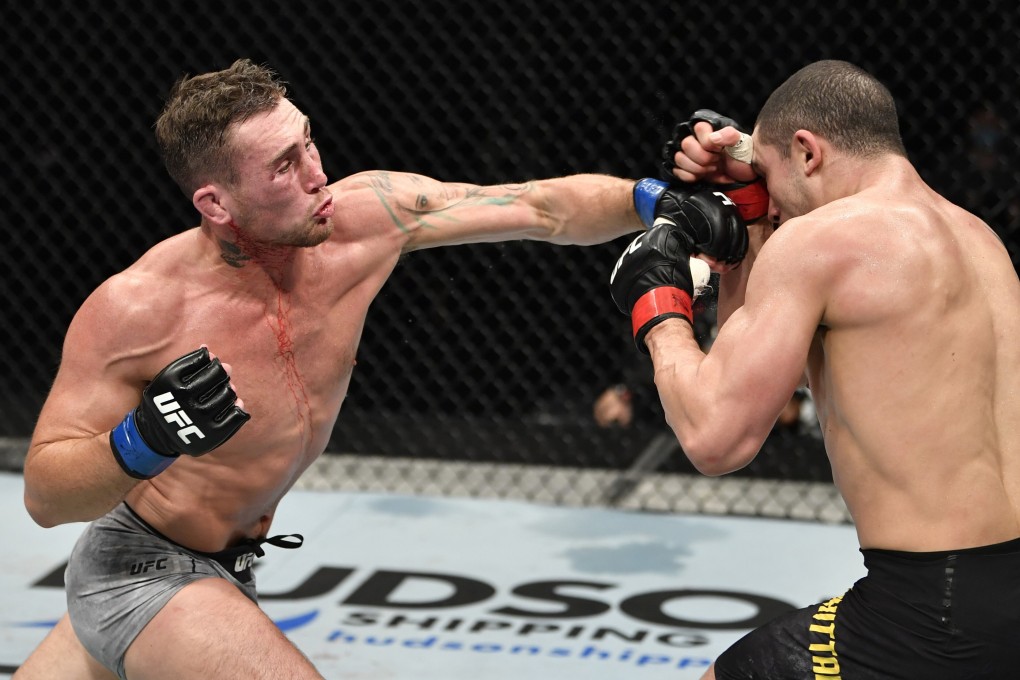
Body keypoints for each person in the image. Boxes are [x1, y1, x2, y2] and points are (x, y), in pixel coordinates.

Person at [14, 59, 746, 679]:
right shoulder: (141, 308)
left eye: (308, 142)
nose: (317, 175)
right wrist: (145, 437)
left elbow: (539, 206)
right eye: (283, 166)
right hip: (140, 572)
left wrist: (653, 202)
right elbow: (45, 493)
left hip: (224, 568)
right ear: (216, 203)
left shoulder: (363, 219)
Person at [610, 60, 1020, 679]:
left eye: (767, 177)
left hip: (934, 608)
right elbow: (760, 372)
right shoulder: (979, 240)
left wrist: (659, 309)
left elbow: (715, 437)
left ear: (807, 152)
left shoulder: (821, 241)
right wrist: (750, 219)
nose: (772, 202)